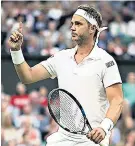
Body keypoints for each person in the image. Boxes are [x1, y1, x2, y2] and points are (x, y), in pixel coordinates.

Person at [8, 4, 123, 146]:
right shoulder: (61, 57)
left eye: (78, 24)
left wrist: (104, 127)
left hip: (91, 141)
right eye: (72, 24)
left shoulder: (106, 61)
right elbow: (28, 76)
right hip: (62, 139)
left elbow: (117, 100)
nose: (72, 27)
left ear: (92, 28)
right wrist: (16, 51)